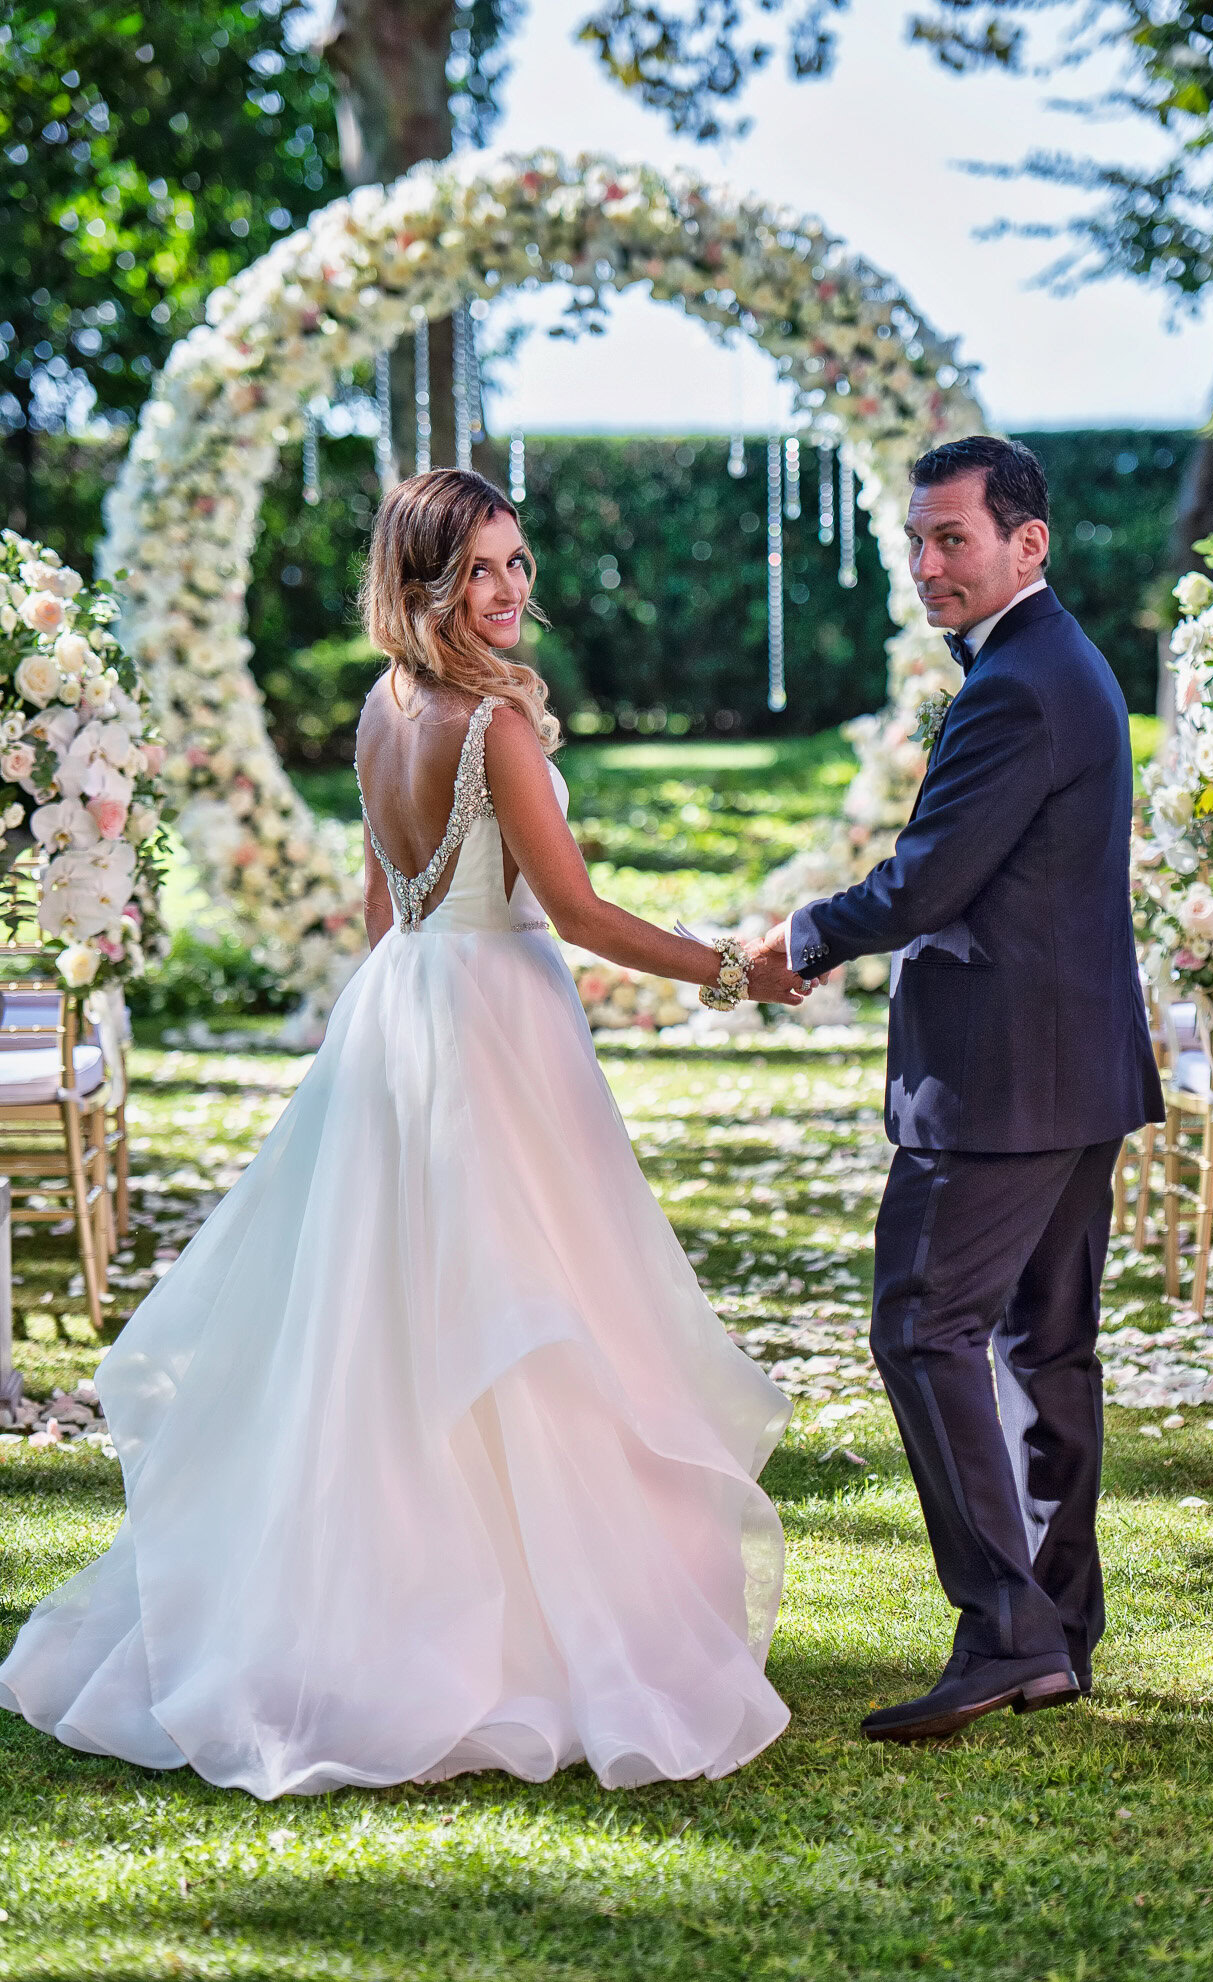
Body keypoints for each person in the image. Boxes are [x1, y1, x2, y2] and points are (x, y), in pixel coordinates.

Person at [0, 467, 807, 1800]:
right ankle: (530, 1636)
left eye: (514, 562)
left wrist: (374, 1052)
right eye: (478, 571)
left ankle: (408, 1603)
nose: (508, 592)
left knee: (400, 1322)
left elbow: (387, 911)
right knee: (527, 1314)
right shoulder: (492, 727)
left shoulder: (387, 712)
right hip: (493, 1020)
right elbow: (583, 914)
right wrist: (739, 970)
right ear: (423, 586)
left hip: (406, 1010)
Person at [753, 436, 1164, 1742]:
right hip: (1075, 1066)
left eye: (954, 541)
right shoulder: (1064, 664)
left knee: (923, 1328)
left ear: (1026, 543)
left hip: (1002, 1085)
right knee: (1045, 1345)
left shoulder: (1016, 686)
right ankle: (1057, 1626)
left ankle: (1005, 1629)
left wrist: (801, 937)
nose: (928, 564)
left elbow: (932, 881)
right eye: (918, 541)